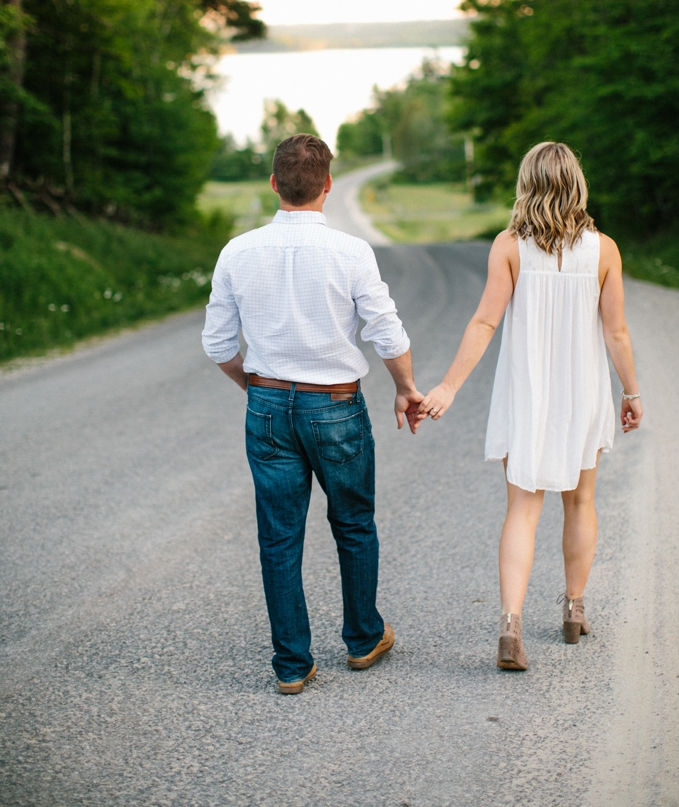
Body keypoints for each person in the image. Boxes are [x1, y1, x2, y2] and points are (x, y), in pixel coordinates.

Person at [202, 133, 424, 695]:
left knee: (278, 537)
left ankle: (292, 665)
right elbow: (386, 332)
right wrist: (407, 389)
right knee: (352, 523)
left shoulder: (237, 251)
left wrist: (256, 388)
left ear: (274, 184)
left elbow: (218, 343)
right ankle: (362, 638)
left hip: (269, 403)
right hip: (336, 406)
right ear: (327, 186)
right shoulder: (351, 253)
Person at [416, 141, 642, 671]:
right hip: (583, 393)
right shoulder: (604, 250)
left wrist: (448, 386)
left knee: (522, 508)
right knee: (581, 502)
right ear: (577, 185)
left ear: (527, 185)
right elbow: (618, 333)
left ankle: (511, 626)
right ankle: (572, 609)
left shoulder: (510, 245)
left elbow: (484, 322)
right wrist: (631, 393)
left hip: (527, 392)